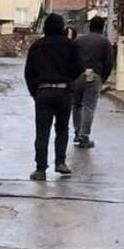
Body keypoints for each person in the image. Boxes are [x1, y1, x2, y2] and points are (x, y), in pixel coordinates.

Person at [24, 12, 83, 180]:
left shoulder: (37, 46)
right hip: (64, 91)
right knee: (62, 128)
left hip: (43, 91)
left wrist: (35, 92)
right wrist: (69, 82)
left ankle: (40, 169)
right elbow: (79, 67)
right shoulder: (70, 45)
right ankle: (60, 162)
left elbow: (29, 73)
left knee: (42, 131)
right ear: (62, 27)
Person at [72, 15, 113, 148]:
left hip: (78, 75)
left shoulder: (78, 40)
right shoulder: (105, 42)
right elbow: (109, 63)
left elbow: (70, 58)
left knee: (76, 105)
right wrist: (102, 78)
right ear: (102, 28)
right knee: (88, 106)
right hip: (94, 76)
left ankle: (77, 132)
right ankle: (84, 136)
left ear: (90, 27)